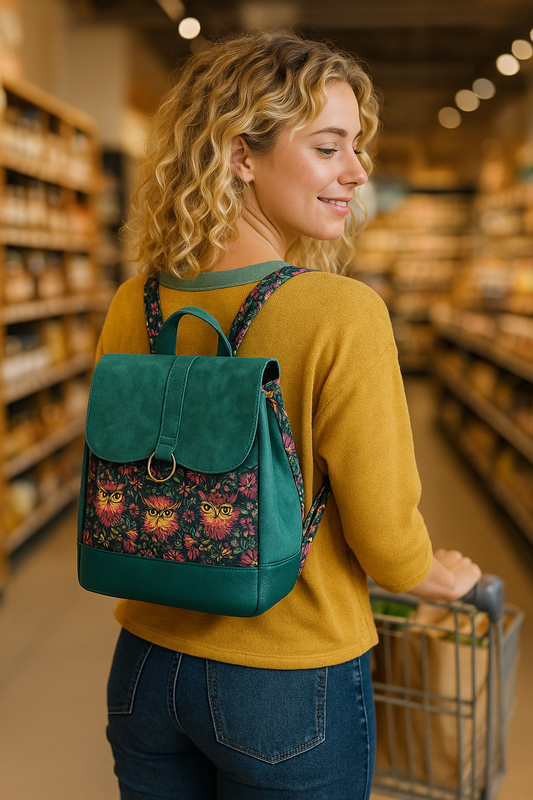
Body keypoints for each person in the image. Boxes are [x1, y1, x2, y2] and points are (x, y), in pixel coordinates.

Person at [97, 30, 481, 800]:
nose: (358, 171)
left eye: (357, 148)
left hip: (144, 664)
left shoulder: (137, 300)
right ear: (241, 154)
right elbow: (381, 528)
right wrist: (426, 574)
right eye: (330, 147)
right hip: (285, 678)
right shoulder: (339, 312)